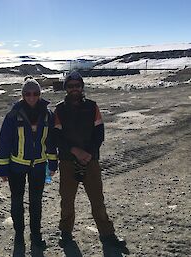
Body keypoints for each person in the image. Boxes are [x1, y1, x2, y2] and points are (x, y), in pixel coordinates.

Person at [54, 71, 129, 256]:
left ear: (82, 87)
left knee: (97, 200)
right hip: (67, 161)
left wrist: (88, 153)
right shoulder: (59, 110)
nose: (74, 89)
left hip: (91, 161)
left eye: (77, 86)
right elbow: (55, 136)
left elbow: (99, 133)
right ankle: (65, 232)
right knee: (67, 200)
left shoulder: (93, 107)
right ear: (66, 88)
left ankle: (107, 234)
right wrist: (75, 151)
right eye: (70, 86)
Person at [0, 76, 58, 256]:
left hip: (39, 166)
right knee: (17, 201)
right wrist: (2, 169)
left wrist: (53, 164)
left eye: (35, 93)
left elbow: (51, 142)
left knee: (36, 202)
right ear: (23, 95)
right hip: (16, 167)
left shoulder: (48, 115)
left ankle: (36, 235)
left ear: (40, 94)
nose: (32, 97)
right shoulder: (13, 115)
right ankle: (19, 235)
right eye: (28, 94)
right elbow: (4, 142)